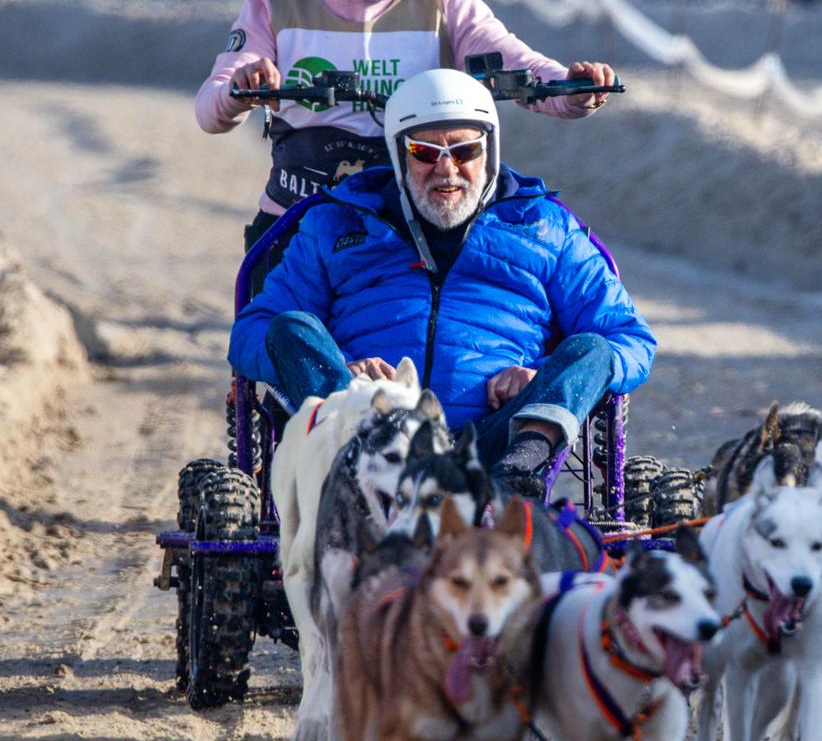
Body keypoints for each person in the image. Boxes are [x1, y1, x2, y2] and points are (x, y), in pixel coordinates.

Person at [227, 68, 656, 496]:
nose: (447, 168)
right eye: (425, 152)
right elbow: (251, 332)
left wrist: (537, 376)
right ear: (399, 154)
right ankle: (356, 463)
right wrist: (342, 371)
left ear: (489, 149)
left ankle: (521, 474)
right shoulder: (335, 223)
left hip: (497, 443)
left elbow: (628, 338)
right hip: (374, 437)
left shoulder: (546, 227)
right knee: (290, 327)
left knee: (594, 349)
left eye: (465, 150)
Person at [194, 0, 615, 259]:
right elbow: (210, 110)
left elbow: (514, 63)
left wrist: (573, 88)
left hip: (411, 235)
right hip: (296, 228)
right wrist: (239, 89)